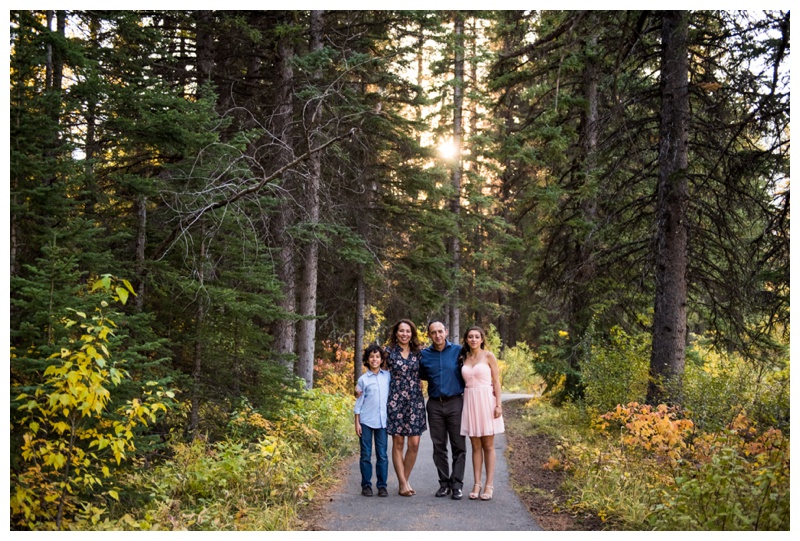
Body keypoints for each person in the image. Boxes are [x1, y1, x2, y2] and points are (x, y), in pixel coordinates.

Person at [419, 320, 466, 500]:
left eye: (440, 331)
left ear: (446, 331)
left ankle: (457, 485)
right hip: (435, 405)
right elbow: (417, 374)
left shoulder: (458, 351)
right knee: (439, 446)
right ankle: (444, 483)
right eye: (433, 332)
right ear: (429, 335)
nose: (437, 335)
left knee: (458, 446)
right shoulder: (425, 355)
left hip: (455, 402)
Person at [459, 326, 504, 501]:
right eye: (470, 336)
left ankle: (489, 484)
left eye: (477, 337)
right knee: (475, 445)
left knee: (488, 445)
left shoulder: (489, 356)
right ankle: (476, 483)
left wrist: (499, 404)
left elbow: (496, 381)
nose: (473, 339)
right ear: (466, 339)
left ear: (482, 339)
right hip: (470, 401)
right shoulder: (464, 358)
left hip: (486, 401)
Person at [385, 319, 427, 497]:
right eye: (401, 331)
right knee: (398, 442)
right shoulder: (388, 352)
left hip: (415, 401)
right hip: (395, 401)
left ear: (412, 333)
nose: (404, 334)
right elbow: (379, 373)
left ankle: (404, 480)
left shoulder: (419, 353)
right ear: (396, 333)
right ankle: (403, 484)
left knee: (414, 444)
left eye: (408, 331)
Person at [354, 344, 391, 497]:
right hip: (366, 421)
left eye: (377, 357)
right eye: (371, 357)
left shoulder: (387, 376)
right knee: (366, 454)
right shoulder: (363, 380)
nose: (374, 359)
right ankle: (366, 485)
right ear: (367, 360)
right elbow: (358, 402)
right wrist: (357, 422)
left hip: (383, 421)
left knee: (382, 455)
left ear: (382, 359)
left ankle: (382, 485)